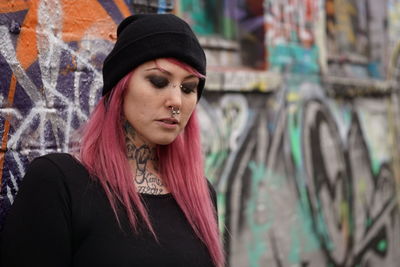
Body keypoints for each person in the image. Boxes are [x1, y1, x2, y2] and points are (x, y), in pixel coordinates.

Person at [0, 14, 224, 267]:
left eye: (188, 88)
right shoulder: (59, 183)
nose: (176, 101)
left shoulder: (200, 194)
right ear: (120, 87)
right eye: (159, 81)